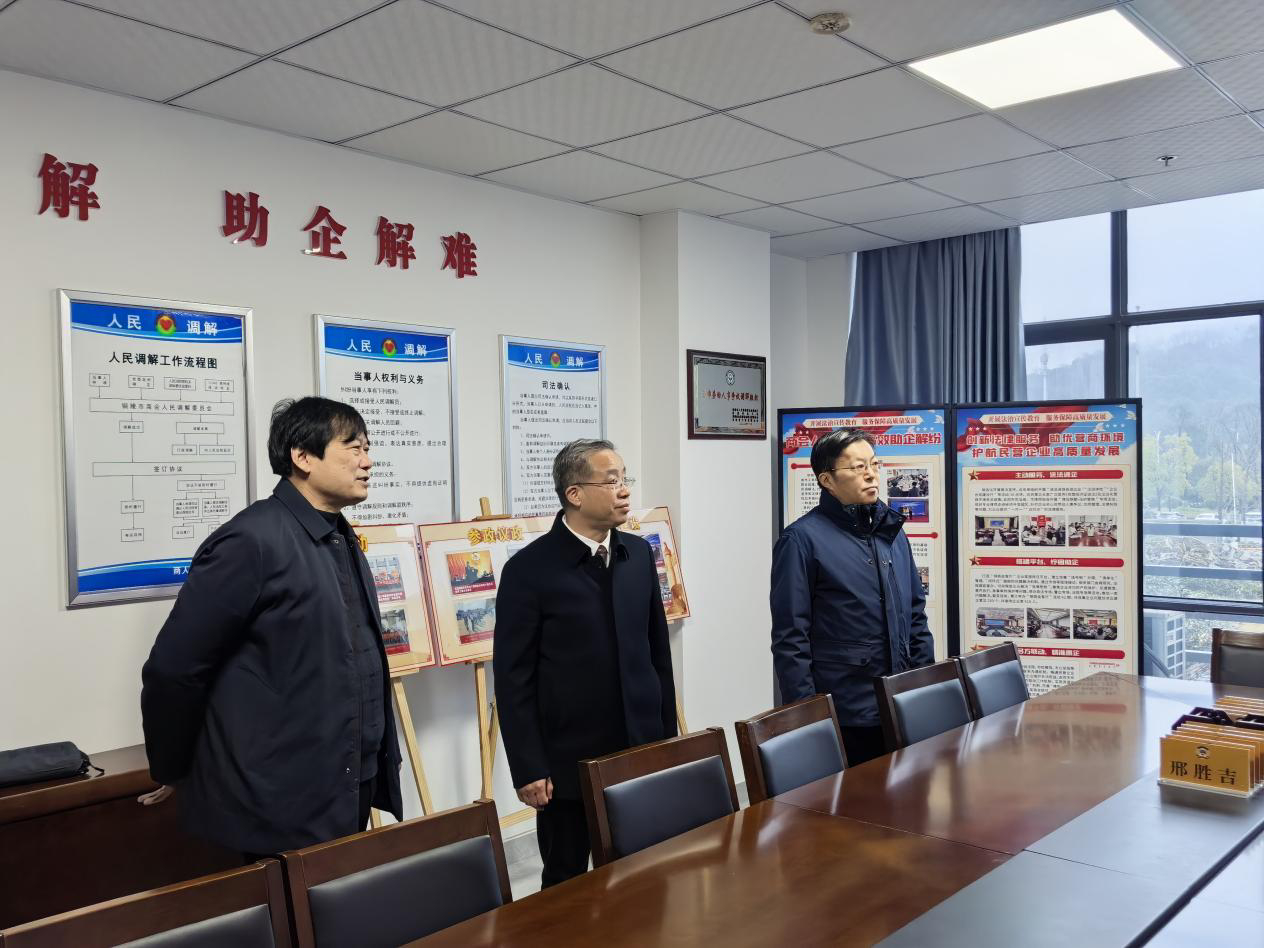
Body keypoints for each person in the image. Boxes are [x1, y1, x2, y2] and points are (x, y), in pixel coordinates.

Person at [139, 397, 403, 858]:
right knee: (287, 905)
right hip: (280, 796)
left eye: (368, 448)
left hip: (347, 779)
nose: (367, 461)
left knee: (338, 900)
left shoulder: (338, 535)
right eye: (354, 447)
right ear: (303, 457)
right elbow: (175, 668)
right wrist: (173, 765)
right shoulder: (252, 540)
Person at [495, 439, 677, 887]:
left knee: (642, 872)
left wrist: (667, 739)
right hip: (567, 761)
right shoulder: (529, 569)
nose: (624, 490)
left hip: (638, 748)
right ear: (574, 494)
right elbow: (513, 678)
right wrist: (528, 767)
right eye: (611, 481)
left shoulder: (637, 555)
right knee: (567, 881)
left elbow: (658, 654)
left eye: (625, 479)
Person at [770, 427, 934, 766]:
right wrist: (807, 716)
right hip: (846, 711)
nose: (871, 474)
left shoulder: (890, 532)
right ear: (827, 480)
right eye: (858, 467)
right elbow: (790, 638)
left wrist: (925, 686)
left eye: (874, 464)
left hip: (901, 701)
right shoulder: (801, 540)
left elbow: (915, 615)